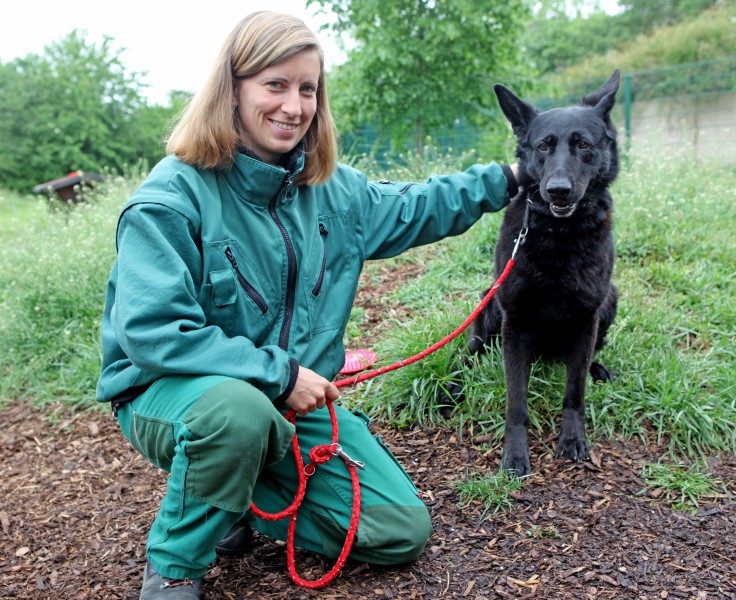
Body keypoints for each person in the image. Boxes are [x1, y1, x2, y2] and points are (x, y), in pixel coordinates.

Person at [96, 11, 521, 599]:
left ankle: (233, 493)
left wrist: (509, 178)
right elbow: (152, 332)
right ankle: (174, 566)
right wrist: (281, 372)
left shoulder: (332, 190)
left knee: (399, 531)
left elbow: (416, 206)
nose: (293, 106)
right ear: (233, 88)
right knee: (236, 417)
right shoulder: (171, 197)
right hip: (170, 391)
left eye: (307, 89)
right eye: (275, 84)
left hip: (288, 398)